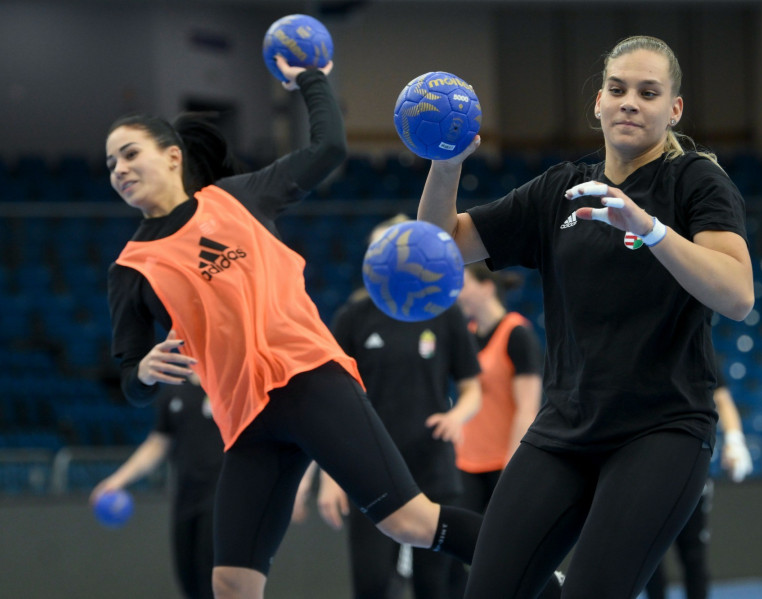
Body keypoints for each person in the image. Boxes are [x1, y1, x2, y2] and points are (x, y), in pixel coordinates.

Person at [105, 56, 492, 599]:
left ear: (172, 157)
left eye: (129, 153)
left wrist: (310, 78)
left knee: (409, 523)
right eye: (110, 164)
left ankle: (547, 577)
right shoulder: (130, 269)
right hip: (246, 423)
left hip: (311, 381)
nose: (118, 169)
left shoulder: (237, 199)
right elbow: (130, 382)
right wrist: (143, 372)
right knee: (232, 583)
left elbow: (328, 149)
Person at [416, 34, 754, 599]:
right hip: (565, 429)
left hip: (661, 430)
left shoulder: (694, 180)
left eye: (648, 93)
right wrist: (446, 166)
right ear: (597, 101)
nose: (630, 102)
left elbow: (738, 294)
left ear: (673, 110)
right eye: (618, 89)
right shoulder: (560, 189)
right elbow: (440, 247)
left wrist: (650, 230)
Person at [309, 214, 482, 599]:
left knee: (434, 586)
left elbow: (473, 389)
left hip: (432, 466)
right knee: (371, 584)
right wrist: (329, 477)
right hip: (370, 467)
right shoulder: (353, 317)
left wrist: (457, 415)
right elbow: (331, 403)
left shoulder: (444, 311)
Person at [448, 262, 544, 598]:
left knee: (508, 556)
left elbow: (528, 408)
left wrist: (512, 465)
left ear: (486, 287)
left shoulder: (517, 334)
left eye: (462, 284)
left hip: (503, 463)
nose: (455, 292)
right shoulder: (466, 334)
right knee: (459, 555)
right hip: (467, 463)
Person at [90, 374, 224, 599]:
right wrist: (116, 480)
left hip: (222, 499)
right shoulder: (173, 391)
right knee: (189, 583)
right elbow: (157, 443)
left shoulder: (228, 383)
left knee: (214, 582)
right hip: (185, 499)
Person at [644, 372, 753, 599]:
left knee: (693, 554)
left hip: (690, 463)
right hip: (648, 465)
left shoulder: (695, 341)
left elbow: (722, 399)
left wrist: (735, 441)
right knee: (648, 557)